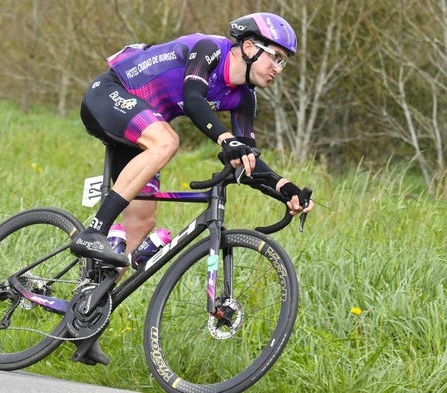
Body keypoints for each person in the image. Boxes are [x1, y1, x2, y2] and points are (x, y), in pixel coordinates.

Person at [72, 12, 314, 365]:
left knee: (140, 225)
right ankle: (93, 231)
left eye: (284, 62)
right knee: (167, 142)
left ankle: (86, 318)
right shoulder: (208, 49)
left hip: (142, 127)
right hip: (111, 95)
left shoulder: (245, 99)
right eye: (274, 57)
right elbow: (194, 97)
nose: (278, 67)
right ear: (248, 47)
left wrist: (284, 187)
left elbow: (244, 158)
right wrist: (226, 138)